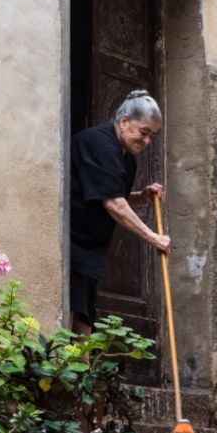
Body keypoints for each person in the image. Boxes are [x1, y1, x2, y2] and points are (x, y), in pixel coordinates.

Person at [70, 89, 171, 335]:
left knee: (86, 313)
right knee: (74, 309)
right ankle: (69, 369)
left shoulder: (126, 157)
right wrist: (153, 237)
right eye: (143, 132)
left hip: (91, 245)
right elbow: (113, 204)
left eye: (151, 136)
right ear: (124, 121)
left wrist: (141, 197)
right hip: (72, 240)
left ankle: (83, 370)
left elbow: (110, 194)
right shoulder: (100, 143)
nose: (147, 142)